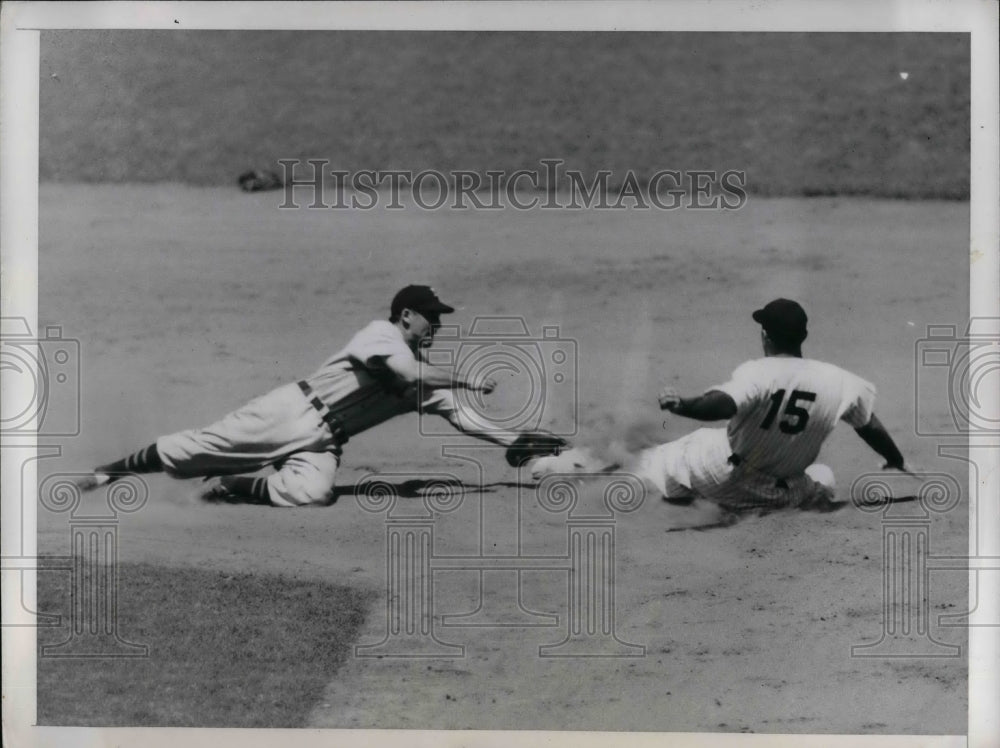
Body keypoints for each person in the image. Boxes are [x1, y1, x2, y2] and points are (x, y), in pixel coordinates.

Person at [73, 285, 562, 507]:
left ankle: (235, 487)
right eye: (430, 316)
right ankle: (105, 473)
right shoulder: (381, 336)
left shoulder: (420, 379)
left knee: (314, 494)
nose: (436, 324)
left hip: (324, 440)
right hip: (289, 413)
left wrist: (515, 440)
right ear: (406, 315)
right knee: (198, 447)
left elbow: (461, 417)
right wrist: (467, 379)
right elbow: (408, 373)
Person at [637, 298, 907, 510]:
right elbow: (868, 424)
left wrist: (683, 405)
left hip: (722, 477)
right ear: (804, 336)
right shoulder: (841, 381)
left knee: (665, 459)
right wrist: (894, 458)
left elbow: (723, 405)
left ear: (765, 335)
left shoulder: (758, 372)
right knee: (822, 476)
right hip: (782, 495)